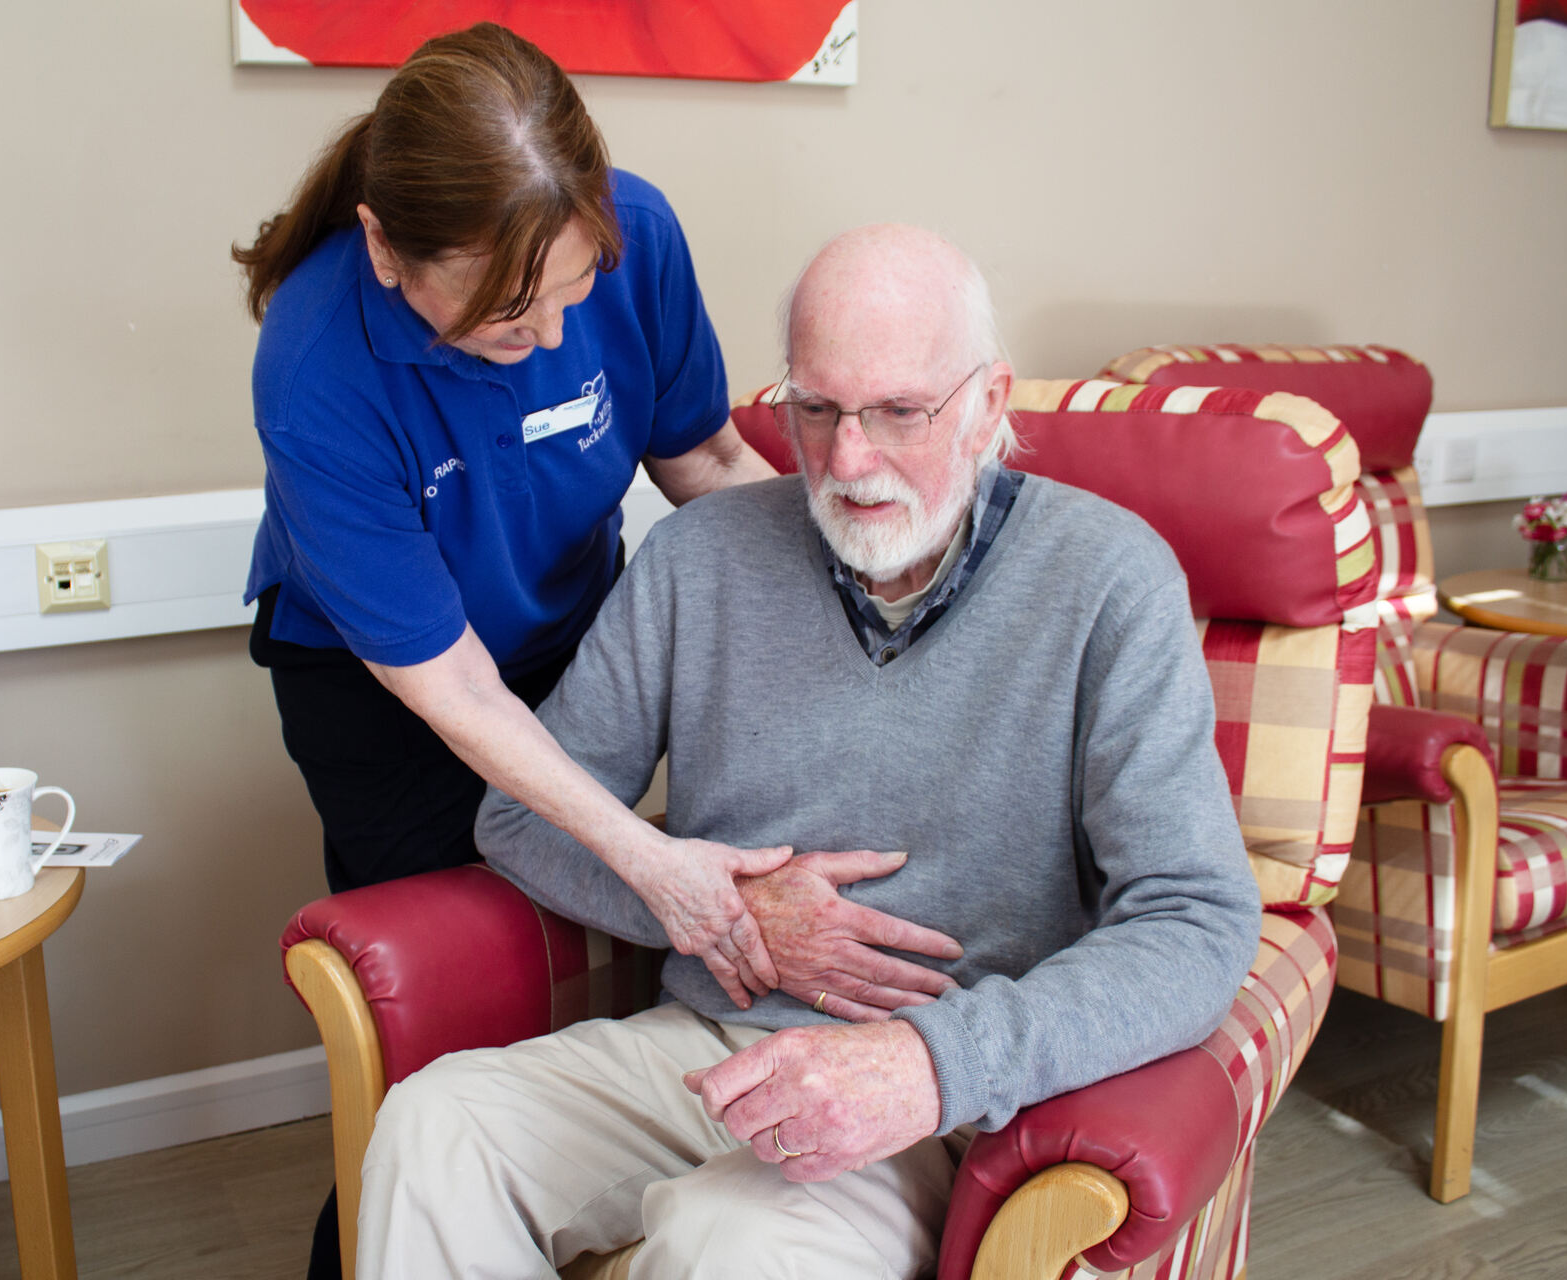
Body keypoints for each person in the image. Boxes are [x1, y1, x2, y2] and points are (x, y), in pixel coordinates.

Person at [352, 224, 1265, 1279]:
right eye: (816, 408)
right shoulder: (697, 557)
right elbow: (519, 817)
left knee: (729, 1239)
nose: (847, 459)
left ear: (988, 403)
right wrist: (726, 912)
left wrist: (931, 1063)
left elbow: (1198, 920)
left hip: (935, 1103)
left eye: (899, 412)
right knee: (432, 1131)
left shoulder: (1110, 579)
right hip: (704, 1050)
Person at [232, 24, 797, 1275]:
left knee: (598, 971)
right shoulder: (319, 363)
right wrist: (650, 856)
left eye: (570, 292)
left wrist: (864, 573)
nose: (546, 337)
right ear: (385, 246)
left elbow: (707, 462)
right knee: (453, 1011)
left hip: (570, 631)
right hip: (390, 693)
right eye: (500, 315)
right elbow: (451, 683)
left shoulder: (638, 233)